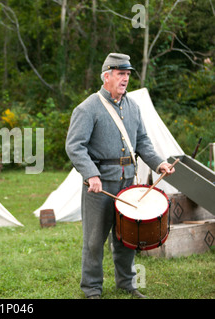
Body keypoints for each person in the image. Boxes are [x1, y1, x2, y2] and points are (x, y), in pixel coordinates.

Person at [65, 53, 175, 299]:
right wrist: (91, 175)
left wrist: (159, 164)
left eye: (127, 74)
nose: (125, 79)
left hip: (128, 183)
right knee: (94, 240)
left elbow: (143, 142)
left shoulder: (133, 106)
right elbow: (75, 146)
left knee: (128, 237)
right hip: (100, 184)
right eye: (120, 74)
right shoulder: (87, 108)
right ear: (107, 76)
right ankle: (92, 288)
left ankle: (126, 284)